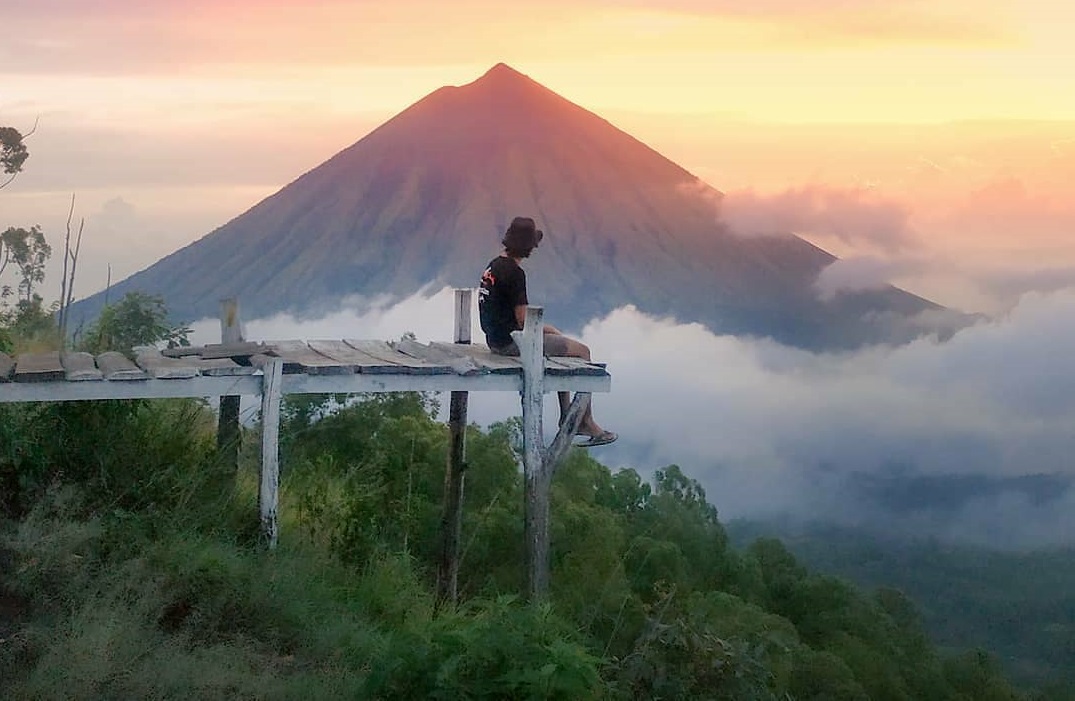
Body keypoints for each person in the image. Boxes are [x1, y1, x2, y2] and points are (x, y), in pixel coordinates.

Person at [478, 216, 617, 448]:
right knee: (582, 352)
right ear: (527, 244)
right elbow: (523, 321)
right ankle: (586, 422)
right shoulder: (515, 273)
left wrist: (547, 332)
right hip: (511, 344)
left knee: (558, 345)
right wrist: (546, 329)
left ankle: (567, 416)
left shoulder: (493, 265)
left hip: (495, 340)